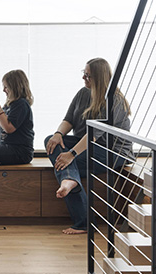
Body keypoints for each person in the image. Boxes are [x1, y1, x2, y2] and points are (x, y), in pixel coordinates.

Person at [45, 58, 133, 235]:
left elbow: (94, 135)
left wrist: (71, 153)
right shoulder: (83, 93)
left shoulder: (113, 100)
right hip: (87, 145)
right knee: (51, 142)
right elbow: (68, 119)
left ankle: (83, 221)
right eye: (83, 73)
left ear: (99, 78)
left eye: (88, 76)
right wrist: (58, 134)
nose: (84, 78)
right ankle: (70, 180)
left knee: (68, 163)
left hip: (112, 151)